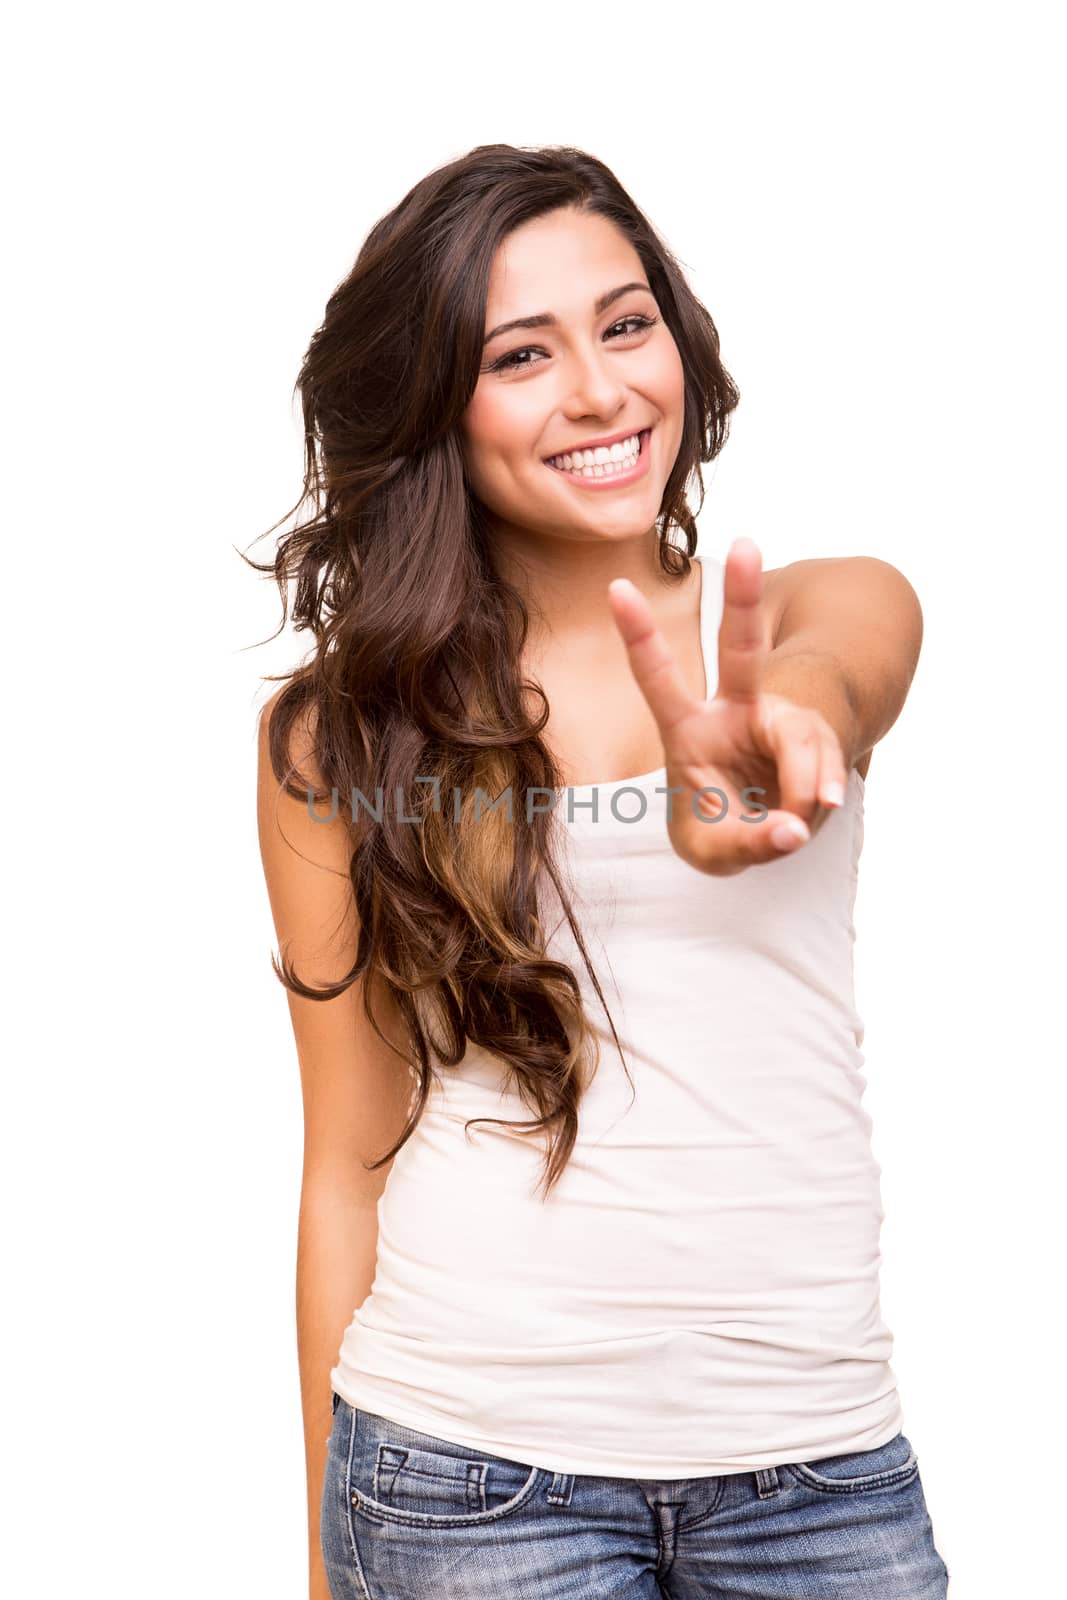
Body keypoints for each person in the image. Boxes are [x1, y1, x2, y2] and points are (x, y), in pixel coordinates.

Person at [253, 144, 951, 1599]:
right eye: (522, 353)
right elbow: (345, 1161)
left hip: (818, 1471)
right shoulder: (336, 738)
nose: (599, 389)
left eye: (626, 324)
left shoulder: (822, 606)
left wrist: (780, 729)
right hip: (461, 1477)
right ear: (434, 405)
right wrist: (323, 1564)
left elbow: (836, 675)